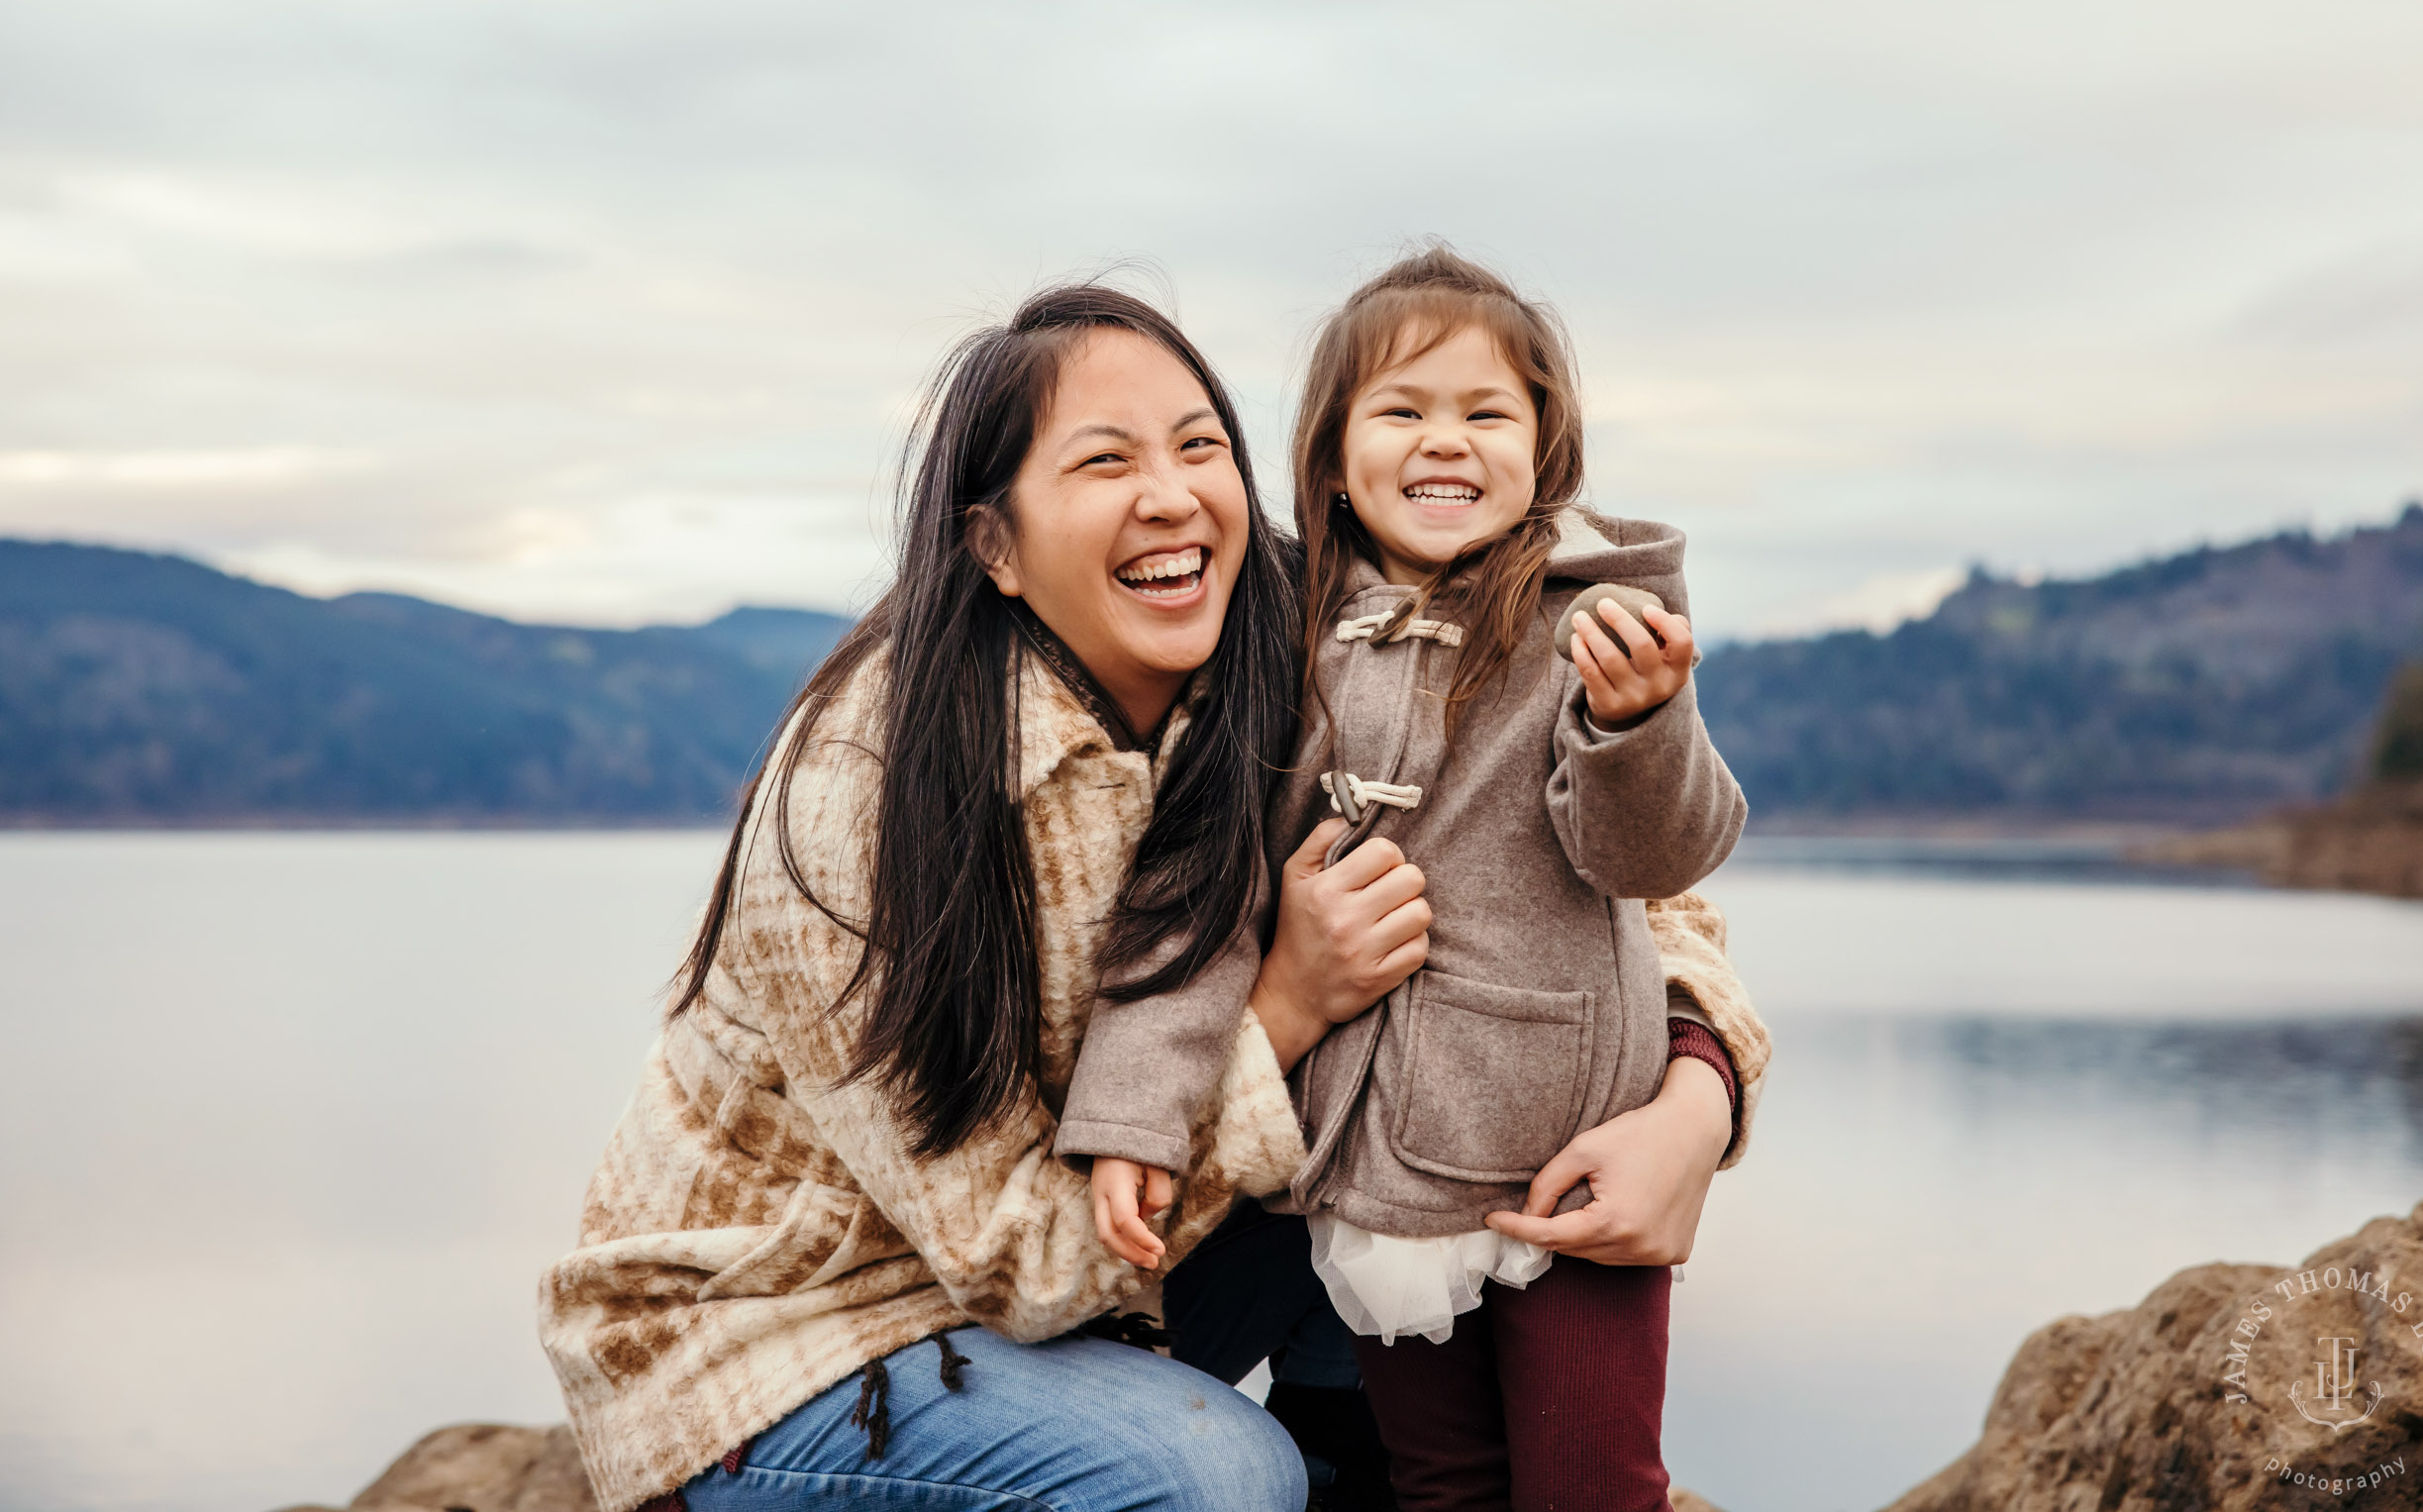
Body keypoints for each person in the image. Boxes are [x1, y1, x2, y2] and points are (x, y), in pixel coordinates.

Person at [537, 284, 1441, 1512]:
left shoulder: (1289, 647)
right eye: (1104, 460)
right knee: (1215, 1475)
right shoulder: (870, 783)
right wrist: (1280, 1016)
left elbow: (1567, 860)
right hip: (797, 1337)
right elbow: (1013, 1260)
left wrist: (1697, 1090)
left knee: (1442, 1144)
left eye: (1200, 444)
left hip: (1088, 1298)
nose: (1171, 495)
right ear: (994, 546)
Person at [1062, 247, 1754, 1511]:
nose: (1447, 439)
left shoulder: (1587, 617)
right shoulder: (1276, 646)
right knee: (1436, 1480)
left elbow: (1653, 863)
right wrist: (1132, 1115)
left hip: (1568, 1142)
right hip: (1377, 1160)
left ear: (1546, 448)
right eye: (1402, 409)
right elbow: (1195, 902)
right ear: (1329, 455)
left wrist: (1639, 723)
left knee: (1594, 1482)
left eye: (1486, 411)